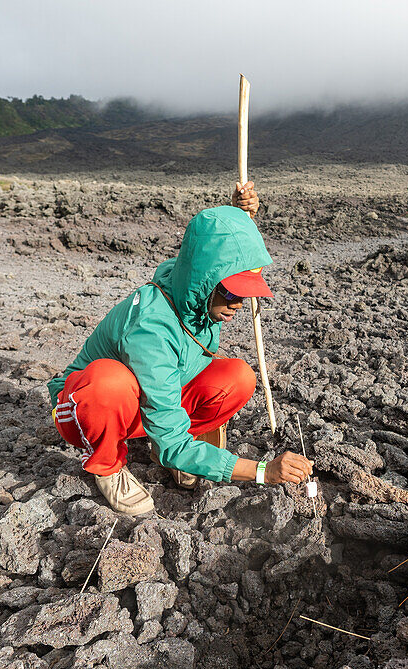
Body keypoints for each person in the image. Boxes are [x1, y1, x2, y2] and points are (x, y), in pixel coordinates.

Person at [47, 182, 314, 515]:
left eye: (245, 294)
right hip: (85, 409)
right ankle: (108, 466)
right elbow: (208, 266)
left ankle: (181, 448)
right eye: (231, 293)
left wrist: (238, 217)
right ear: (205, 282)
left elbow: (208, 249)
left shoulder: (191, 285)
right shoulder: (150, 329)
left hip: (147, 400)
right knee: (109, 383)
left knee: (239, 377)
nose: (239, 304)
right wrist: (262, 471)